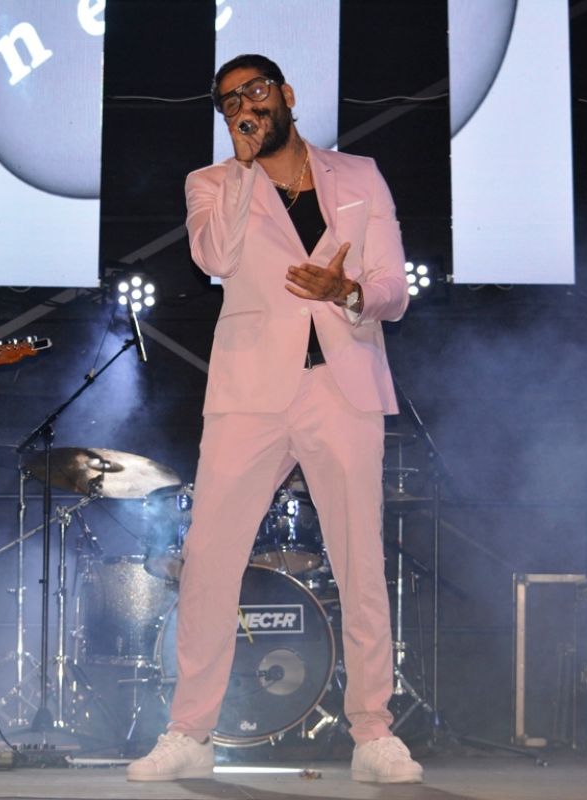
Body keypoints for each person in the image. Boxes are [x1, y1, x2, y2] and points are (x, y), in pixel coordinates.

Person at [127, 55, 420, 783]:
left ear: (286, 94)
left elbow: (394, 288)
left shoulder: (360, 175)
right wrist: (242, 168)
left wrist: (346, 290)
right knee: (209, 559)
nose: (245, 107)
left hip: (341, 385)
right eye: (229, 102)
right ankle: (191, 731)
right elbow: (214, 256)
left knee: (360, 561)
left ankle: (372, 732)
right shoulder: (212, 182)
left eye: (255, 92)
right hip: (250, 391)